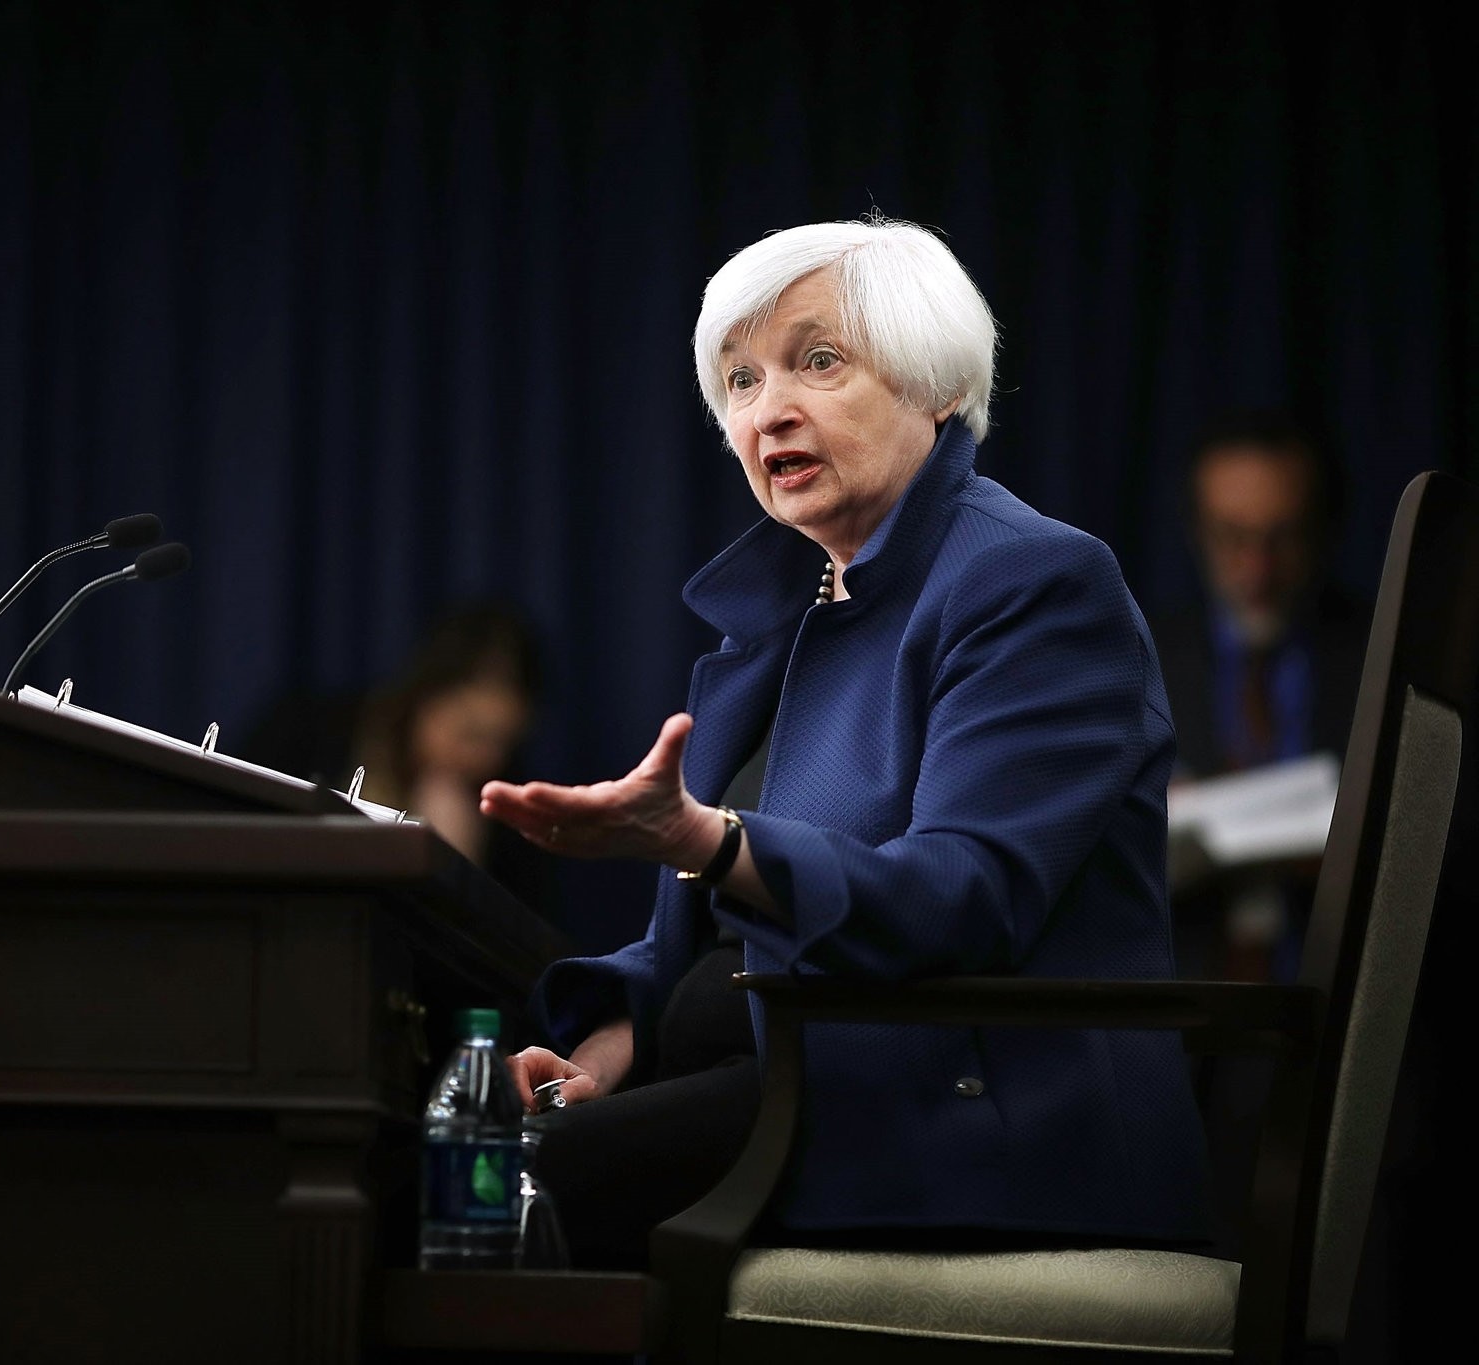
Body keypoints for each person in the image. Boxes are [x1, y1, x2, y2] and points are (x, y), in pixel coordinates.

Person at [477, 218, 1209, 1269]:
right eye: (737, 381)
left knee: (486, 1197)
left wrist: (710, 841)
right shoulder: (783, 614)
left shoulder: (1031, 581)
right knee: (465, 1150)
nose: (766, 408)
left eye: (816, 362)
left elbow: (964, 894)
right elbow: (699, 946)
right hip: (795, 1090)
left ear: (937, 386)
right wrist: (605, 1052)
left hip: (962, 1126)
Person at [240, 601, 559, 918]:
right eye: (471, 733)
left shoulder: (507, 813)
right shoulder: (309, 730)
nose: (485, 759)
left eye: (503, 744)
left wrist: (458, 868)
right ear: (426, 694)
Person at [1154, 411, 1368, 780]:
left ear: (1324, 531)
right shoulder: (1139, 662)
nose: (1258, 570)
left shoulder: (1385, 655)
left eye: (1285, 537)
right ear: (1196, 532)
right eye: (1232, 537)